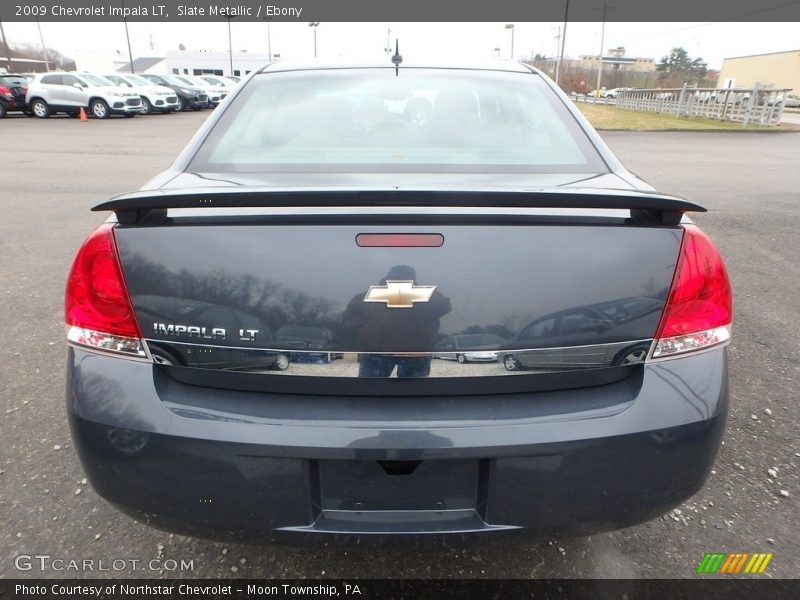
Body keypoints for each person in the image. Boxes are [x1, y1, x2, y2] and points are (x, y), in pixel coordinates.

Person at [341, 265, 451, 378]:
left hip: (376, 350)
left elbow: (348, 322)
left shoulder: (365, 297)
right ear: (413, 279)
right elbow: (445, 306)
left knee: (370, 391)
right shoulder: (427, 297)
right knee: (415, 393)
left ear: (388, 276)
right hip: (415, 351)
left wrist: (364, 335)